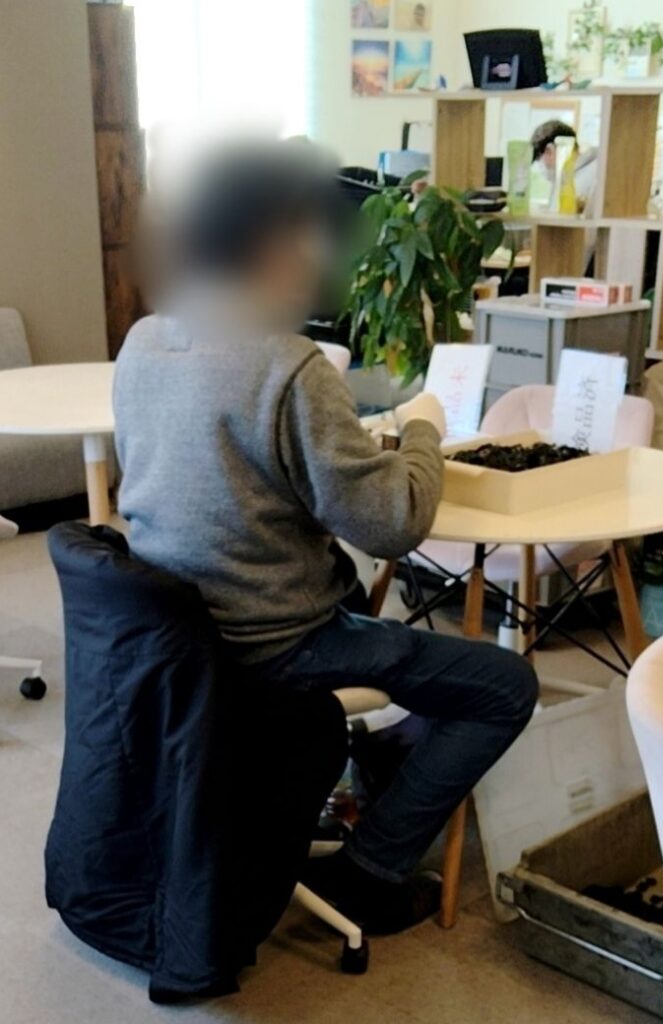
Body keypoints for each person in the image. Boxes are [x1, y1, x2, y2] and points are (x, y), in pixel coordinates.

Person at [114, 139, 539, 936]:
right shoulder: (288, 365)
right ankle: (370, 870)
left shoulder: (145, 340)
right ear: (274, 243)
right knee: (503, 685)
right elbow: (394, 524)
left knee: (403, 652)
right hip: (274, 639)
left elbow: (219, 474)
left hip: (176, 633)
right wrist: (423, 428)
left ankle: (370, 766)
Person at [531, 119, 598, 214]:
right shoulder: (564, 177)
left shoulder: (595, 173)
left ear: (549, 151)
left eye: (539, 159)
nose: (540, 166)